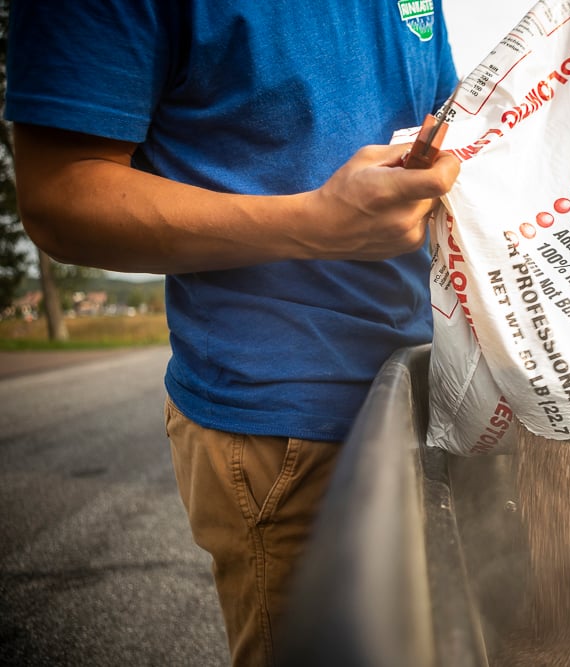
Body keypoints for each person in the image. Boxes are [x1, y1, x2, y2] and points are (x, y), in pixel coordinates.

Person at [5, 2, 461, 665]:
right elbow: (59, 196)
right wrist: (316, 222)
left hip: (431, 395)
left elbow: (438, 122)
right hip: (286, 432)